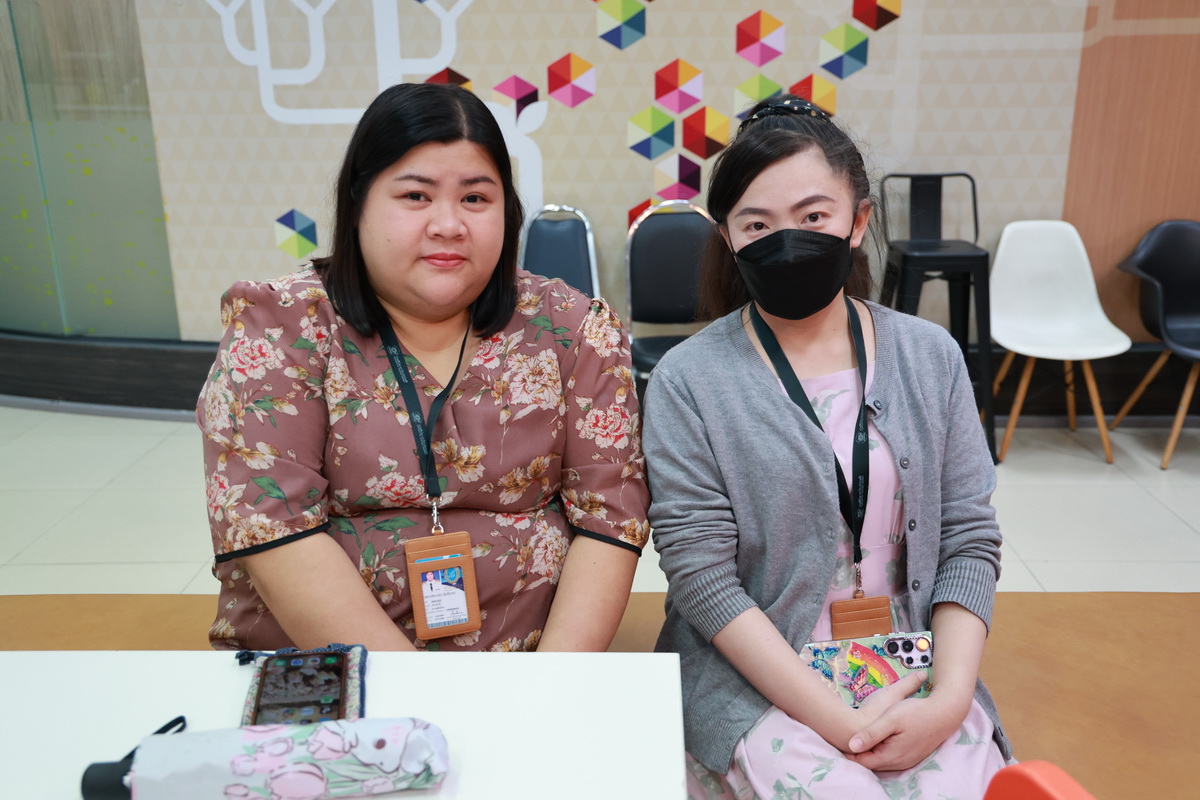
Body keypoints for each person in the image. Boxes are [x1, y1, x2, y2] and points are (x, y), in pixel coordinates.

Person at [642, 95, 1011, 798]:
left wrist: (949, 700)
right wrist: (843, 726)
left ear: (858, 220)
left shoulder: (930, 356)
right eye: (757, 224)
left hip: (910, 663)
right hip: (755, 677)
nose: (788, 241)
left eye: (813, 217)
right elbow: (702, 579)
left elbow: (967, 537)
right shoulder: (688, 381)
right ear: (727, 237)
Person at [197, 83, 648, 653]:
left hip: (530, 671)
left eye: (475, 198)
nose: (448, 225)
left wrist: (547, 687)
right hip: (331, 674)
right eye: (416, 196)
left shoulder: (573, 329)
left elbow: (609, 519)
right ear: (358, 205)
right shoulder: (282, 327)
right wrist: (414, 696)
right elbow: (273, 526)